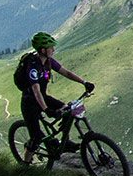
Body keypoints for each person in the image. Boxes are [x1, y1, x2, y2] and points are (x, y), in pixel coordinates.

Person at [14, 31, 93, 162]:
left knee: (68, 111)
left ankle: (65, 142)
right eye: (51, 47)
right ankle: (25, 164)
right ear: (43, 50)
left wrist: (84, 82)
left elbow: (66, 72)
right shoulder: (33, 66)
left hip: (43, 97)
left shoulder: (48, 62)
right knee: (36, 138)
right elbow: (36, 90)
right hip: (30, 103)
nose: (53, 49)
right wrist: (46, 109)